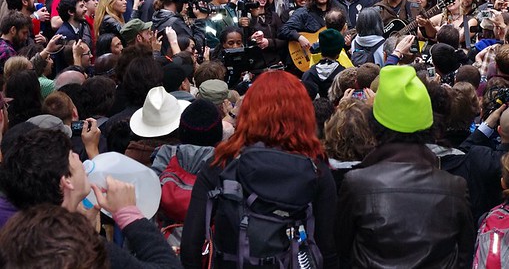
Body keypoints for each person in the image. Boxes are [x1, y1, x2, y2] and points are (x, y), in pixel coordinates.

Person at [180, 71, 337, 268]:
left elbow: (190, 244)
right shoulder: (317, 169)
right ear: (303, 113)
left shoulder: (222, 162)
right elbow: (327, 247)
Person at [336, 65, 474, 267]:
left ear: (374, 124)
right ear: (430, 127)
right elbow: (464, 255)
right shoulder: (455, 187)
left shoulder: (356, 183)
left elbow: (342, 248)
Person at [0, 128, 181, 267]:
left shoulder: (15, 240)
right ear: (67, 182)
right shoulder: (79, 247)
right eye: (72, 156)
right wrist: (129, 214)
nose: (79, 156)